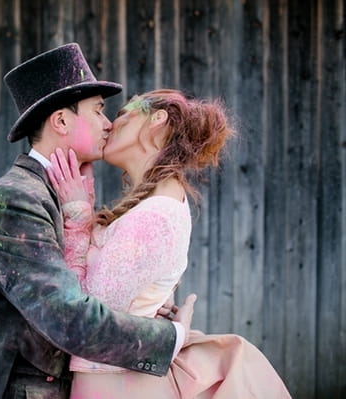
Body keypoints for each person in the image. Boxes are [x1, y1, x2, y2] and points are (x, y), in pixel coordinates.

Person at [0, 44, 198, 399]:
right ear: (60, 120)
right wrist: (173, 336)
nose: (108, 124)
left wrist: (136, 305)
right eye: (99, 111)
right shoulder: (12, 200)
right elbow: (69, 319)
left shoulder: (64, 192)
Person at [47, 89, 292, 398]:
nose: (109, 124)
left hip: (115, 385)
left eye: (122, 115)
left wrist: (78, 218)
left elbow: (84, 316)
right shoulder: (154, 206)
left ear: (157, 120)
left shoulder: (156, 215)